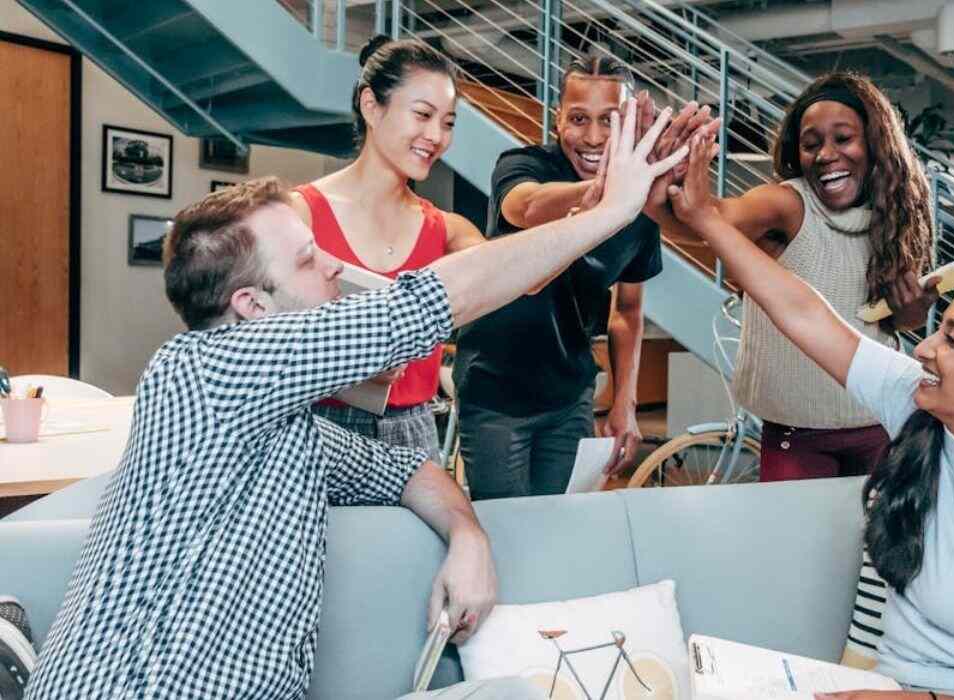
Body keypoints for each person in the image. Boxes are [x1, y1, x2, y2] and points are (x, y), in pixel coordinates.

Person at [24, 100, 689, 699]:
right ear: (252, 306)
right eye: (307, 260)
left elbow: (406, 470)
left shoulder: (283, 427)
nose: (334, 266)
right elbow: (425, 305)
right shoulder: (202, 370)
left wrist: (468, 535)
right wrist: (611, 212)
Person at [668, 131, 954, 700]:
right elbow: (805, 313)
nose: (925, 348)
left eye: (952, 340)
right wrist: (705, 219)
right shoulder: (918, 408)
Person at [655, 72, 939, 482]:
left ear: (875, 144)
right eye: (811, 144)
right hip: (796, 432)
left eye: (843, 138)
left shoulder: (896, 217)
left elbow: (896, 324)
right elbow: (712, 218)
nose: (826, 154)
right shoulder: (787, 203)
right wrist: (665, 180)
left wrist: (912, 310)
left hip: (879, 420)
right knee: (791, 526)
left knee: (873, 526)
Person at [452, 56, 713, 499]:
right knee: (504, 526)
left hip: (570, 396)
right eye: (578, 119)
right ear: (558, 119)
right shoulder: (522, 164)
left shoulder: (639, 206)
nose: (592, 137)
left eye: (609, 121)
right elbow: (526, 205)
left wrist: (625, 403)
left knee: (560, 524)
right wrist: (608, 192)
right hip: (496, 390)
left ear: (630, 124)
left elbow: (627, 311)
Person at [290, 37, 486, 458]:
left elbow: (511, 277)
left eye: (448, 122)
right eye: (423, 115)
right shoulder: (299, 214)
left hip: (414, 432)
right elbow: (263, 339)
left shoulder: (448, 230)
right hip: (317, 428)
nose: (436, 136)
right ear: (371, 106)